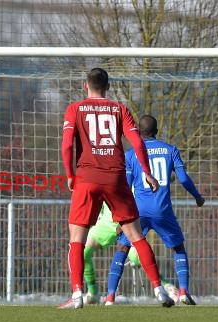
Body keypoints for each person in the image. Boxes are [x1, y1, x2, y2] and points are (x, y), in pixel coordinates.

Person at [59, 67, 174, 309]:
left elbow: (67, 145)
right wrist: (147, 173)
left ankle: (78, 294)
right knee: (136, 236)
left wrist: (70, 174)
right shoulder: (120, 110)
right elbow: (137, 143)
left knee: (77, 239)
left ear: (85, 85)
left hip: (86, 178)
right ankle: (159, 289)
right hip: (115, 179)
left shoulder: (75, 109)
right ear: (108, 86)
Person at [104, 115, 205, 306]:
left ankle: (110, 296)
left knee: (123, 247)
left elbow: (125, 186)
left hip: (138, 211)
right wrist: (197, 196)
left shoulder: (131, 154)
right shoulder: (170, 150)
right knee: (178, 247)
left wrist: (120, 219)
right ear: (157, 131)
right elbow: (183, 179)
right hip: (162, 210)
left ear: (138, 133)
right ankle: (183, 291)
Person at [83, 202, 179, 304]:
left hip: (127, 221)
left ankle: (166, 286)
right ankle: (93, 292)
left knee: (136, 257)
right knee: (83, 252)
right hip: (106, 223)